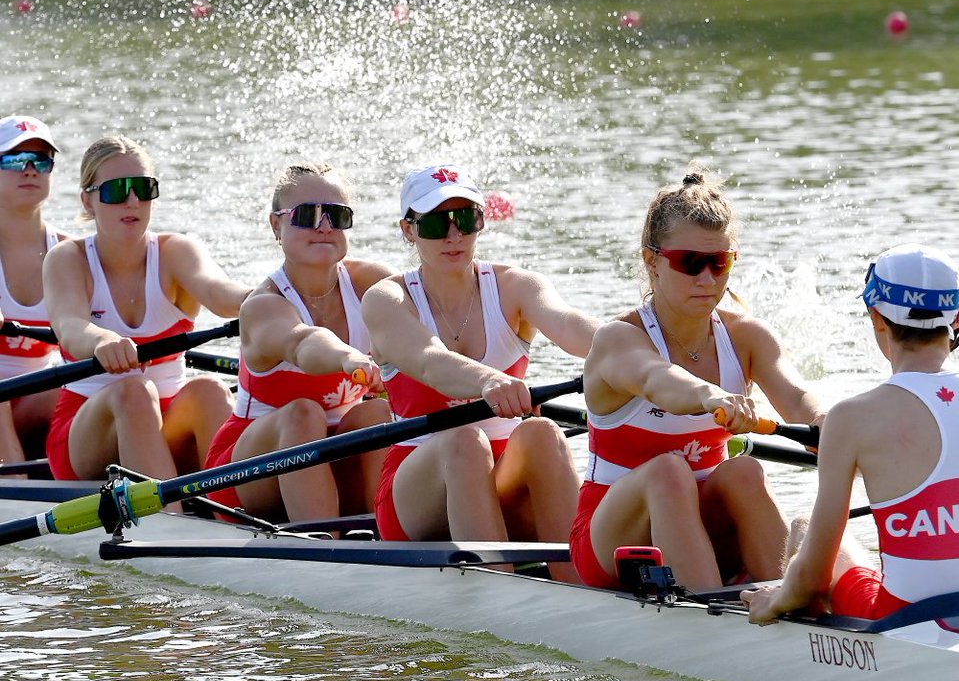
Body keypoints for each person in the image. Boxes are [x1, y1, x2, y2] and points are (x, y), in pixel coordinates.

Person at [570, 167, 823, 592]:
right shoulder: (618, 340)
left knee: (744, 471)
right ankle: (709, 611)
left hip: (703, 527)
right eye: (690, 263)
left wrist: (829, 424)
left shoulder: (748, 337)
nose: (708, 279)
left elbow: (798, 397)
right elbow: (657, 379)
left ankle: (792, 605)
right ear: (652, 261)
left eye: (719, 263)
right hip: (611, 541)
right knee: (668, 472)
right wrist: (711, 396)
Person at [360, 161, 599, 580]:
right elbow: (429, 360)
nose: (454, 235)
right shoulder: (387, 299)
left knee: (543, 432)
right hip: (417, 495)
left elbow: (574, 327)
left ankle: (581, 583)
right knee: (466, 441)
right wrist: (490, 379)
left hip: (504, 484)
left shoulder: (516, 286)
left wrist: (645, 352)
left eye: (466, 219)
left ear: (482, 222)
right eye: (437, 223)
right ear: (408, 230)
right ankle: (498, 588)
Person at [743, 243, 959, 625]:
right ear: (955, 319)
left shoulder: (851, 418)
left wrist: (773, 602)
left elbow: (811, 579)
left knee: (804, 529)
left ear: (877, 317)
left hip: (906, 622)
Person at [42, 134, 252, 487]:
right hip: (86, 434)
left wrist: (270, 298)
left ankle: (232, 509)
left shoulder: (176, 252)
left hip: (167, 424)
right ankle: (171, 516)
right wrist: (102, 340)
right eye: (116, 190)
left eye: (143, 188)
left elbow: (219, 292)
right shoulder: (68, 258)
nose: (133, 201)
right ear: (88, 200)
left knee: (210, 390)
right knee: (134, 391)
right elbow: (70, 326)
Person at [204, 162, 394, 522]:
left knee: (378, 414)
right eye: (307, 215)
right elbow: (302, 344)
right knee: (304, 414)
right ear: (276, 225)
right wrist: (348, 357)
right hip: (246, 476)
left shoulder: (374, 284)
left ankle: (383, 531)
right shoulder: (262, 305)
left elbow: (430, 328)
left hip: (334, 456)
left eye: (337, 215)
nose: (324, 226)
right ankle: (322, 541)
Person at [0, 113, 70, 464]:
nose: (30, 170)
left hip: (33, 406)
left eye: (41, 160)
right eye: (15, 159)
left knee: (76, 388)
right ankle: (15, 479)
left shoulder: (72, 254)